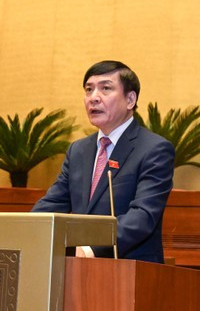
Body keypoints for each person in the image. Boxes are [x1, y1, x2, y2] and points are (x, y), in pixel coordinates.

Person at [32, 60, 175, 263]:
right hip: (77, 269)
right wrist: (26, 230)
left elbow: (142, 217)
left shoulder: (154, 149)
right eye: (88, 90)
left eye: (105, 88)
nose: (93, 98)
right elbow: (53, 204)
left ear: (130, 99)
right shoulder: (79, 150)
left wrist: (91, 249)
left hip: (130, 271)